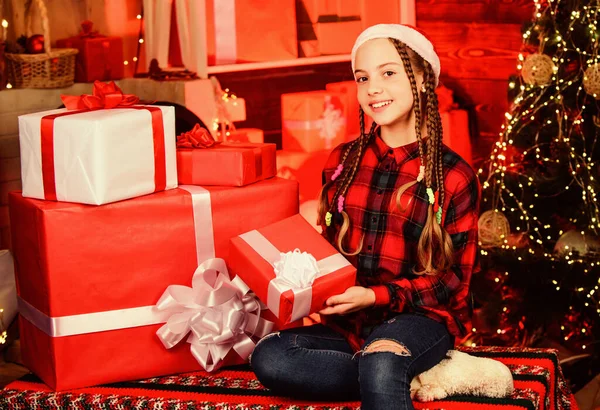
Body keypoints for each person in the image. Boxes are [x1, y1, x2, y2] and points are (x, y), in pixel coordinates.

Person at [250, 24, 481, 410]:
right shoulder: (342, 162)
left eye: (388, 73)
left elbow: (452, 281)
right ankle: (393, 376)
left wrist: (375, 296)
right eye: (362, 77)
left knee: (382, 359)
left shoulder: (453, 175)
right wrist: (308, 285)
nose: (373, 87)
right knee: (270, 356)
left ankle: (388, 368)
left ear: (423, 79)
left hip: (419, 320)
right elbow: (326, 252)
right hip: (350, 327)